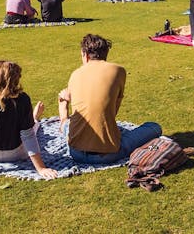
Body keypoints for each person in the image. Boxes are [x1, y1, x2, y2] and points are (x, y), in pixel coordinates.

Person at [57, 34, 162, 164]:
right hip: (108, 154)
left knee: (69, 124)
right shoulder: (118, 71)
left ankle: (63, 117)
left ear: (85, 55)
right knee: (154, 127)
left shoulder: (75, 74)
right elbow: (112, 112)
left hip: (76, 152)